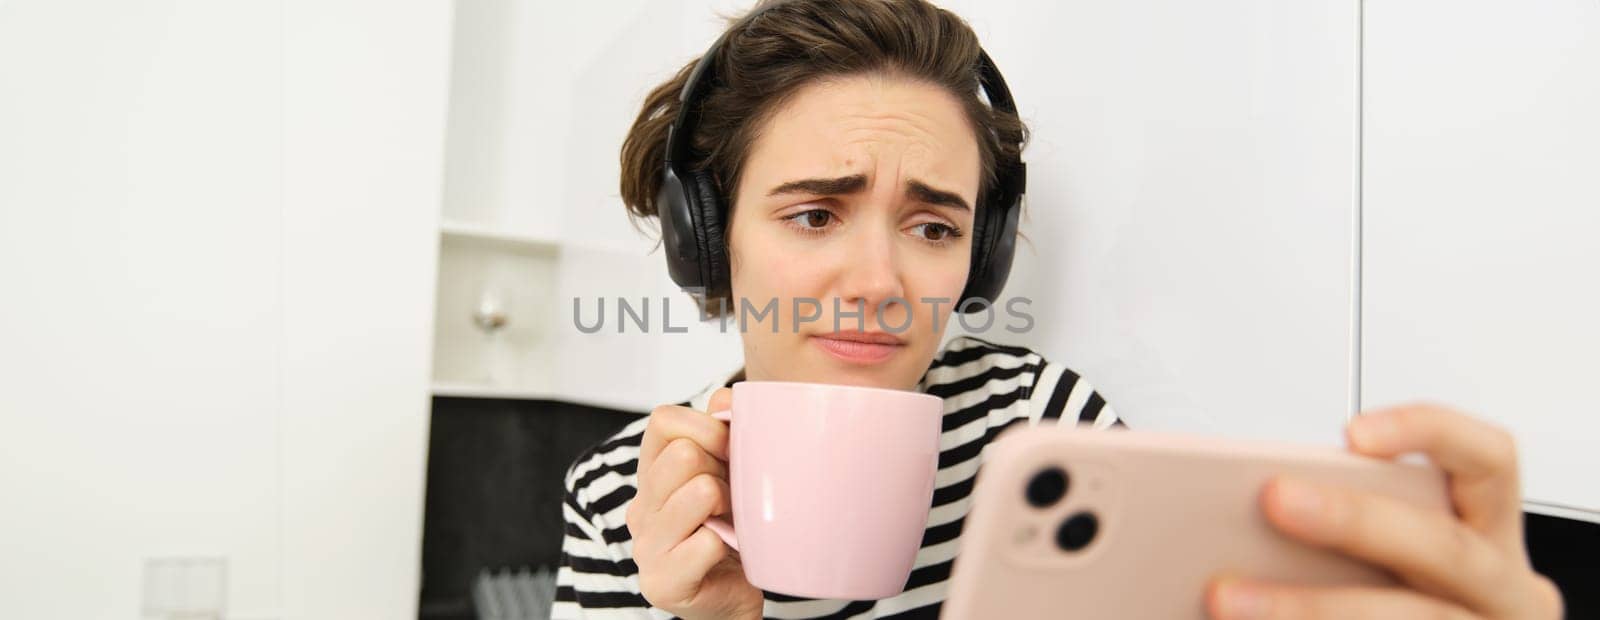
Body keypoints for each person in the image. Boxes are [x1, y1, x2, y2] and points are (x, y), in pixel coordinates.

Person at [551, 1, 1564, 618]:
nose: (878, 280)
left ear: (981, 255)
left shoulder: (1046, 425)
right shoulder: (619, 497)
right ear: (707, 237)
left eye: (935, 227)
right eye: (815, 212)